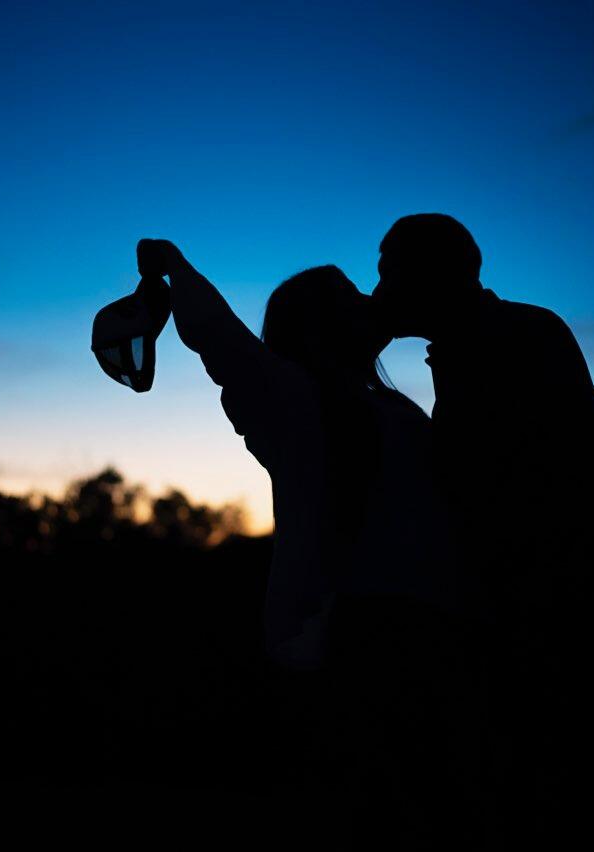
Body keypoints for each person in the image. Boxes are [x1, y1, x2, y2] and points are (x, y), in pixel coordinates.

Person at [136, 238, 478, 845]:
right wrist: (174, 268)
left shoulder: (399, 411)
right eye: (351, 297)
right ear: (320, 327)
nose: (370, 300)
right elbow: (219, 338)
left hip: (435, 634)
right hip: (351, 638)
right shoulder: (288, 400)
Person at [371, 213, 594, 846]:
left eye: (389, 271)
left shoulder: (511, 340)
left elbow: (532, 488)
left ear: (432, 276)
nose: (378, 286)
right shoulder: (489, 340)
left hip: (562, 619)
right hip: (542, 614)